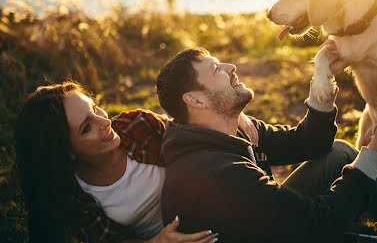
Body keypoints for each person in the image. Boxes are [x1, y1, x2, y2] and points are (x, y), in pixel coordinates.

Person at [156, 47, 377, 243]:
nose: (232, 67)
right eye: (217, 68)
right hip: (281, 232)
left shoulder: (231, 129)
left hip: (263, 220)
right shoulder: (217, 173)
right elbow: (318, 225)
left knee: (340, 153)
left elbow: (311, 143)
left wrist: (323, 84)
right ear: (197, 100)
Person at [15, 81, 240, 243]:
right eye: (86, 127)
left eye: (94, 108)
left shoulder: (137, 125)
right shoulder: (75, 196)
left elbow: (196, 136)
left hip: (220, 211)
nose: (104, 121)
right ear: (68, 152)